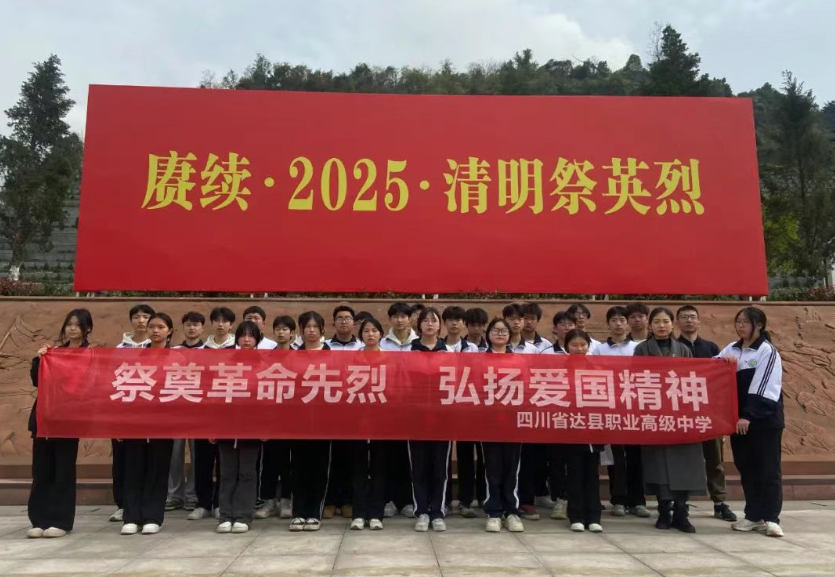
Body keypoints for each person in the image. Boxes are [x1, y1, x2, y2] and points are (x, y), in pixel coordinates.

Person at [634, 307, 704, 534]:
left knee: (683, 463)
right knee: (658, 466)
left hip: (680, 415)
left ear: (673, 325)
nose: (661, 326)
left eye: (665, 321)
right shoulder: (641, 349)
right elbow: (635, 380)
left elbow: (692, 380)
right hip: (654, 415)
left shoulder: (683, 349)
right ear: (650, 326)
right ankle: (664, 511)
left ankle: (682, 512)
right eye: (657, 322)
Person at [718, 307, 785, 538]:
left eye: (746, 322)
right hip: (738, 422)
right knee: (747, 468)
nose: (741, 326)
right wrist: (722, 362)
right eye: (738, 321)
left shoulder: (767, 351)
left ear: (759, 325)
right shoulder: (732, 348)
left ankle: (772, 518)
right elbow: (711, 369)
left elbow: (764, 386)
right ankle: (753, 515)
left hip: (764, 421)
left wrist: (749, 415)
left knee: (768, 469)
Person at [26, 309, 92, 539]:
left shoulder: (90, 355)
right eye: (69, 324)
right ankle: (39, 520)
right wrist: (40, 359)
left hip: (69, 420)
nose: (72, 328)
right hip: (44, 417)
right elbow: (38, 381)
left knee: (63, 470)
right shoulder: (55, 352)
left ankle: (60, 520)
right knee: (41, 470)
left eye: (77, 325)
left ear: (87, 329)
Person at [676, 305, 737, 523]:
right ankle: (680, 504)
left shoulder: (711, 348)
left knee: (714, 460)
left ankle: (719, 502)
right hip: (682, 413)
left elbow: (721, 381)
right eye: (684, 317)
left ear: (699, 321)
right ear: (677, 322)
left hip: (708, 413)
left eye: (692, 317)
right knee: (683, 460)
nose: (689, 320)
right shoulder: (674, 348)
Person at [121, 313, 176, 535]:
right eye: (152, 326)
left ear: (169, 331)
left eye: (161, 327)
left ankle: (153, 516)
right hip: (135, 421)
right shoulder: (136, 356)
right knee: (133, 469)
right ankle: (131, 517)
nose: (155, 330)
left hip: (163, 422)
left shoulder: (177, 358)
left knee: (157, 469)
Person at [591, 306, 648, 520]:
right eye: (614, 320)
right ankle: (618, 500)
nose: (618, 324)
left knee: (635, 455)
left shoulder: (638, 348)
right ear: (608, 324)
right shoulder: (599, 350)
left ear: (628, 323)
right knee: (615, 456)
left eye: (622, 320)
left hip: (634, 407)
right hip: (610, 407)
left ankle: (638, 500)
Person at [213, 321, 263, 534]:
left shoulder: (265, 364)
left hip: (252, 426)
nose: (247, 339)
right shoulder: (226, 362)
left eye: (251, 335)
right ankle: (226, 515)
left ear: (257, 339)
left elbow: (269, 398)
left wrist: (266, 427)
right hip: (226, 425)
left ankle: (243, 515)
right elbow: (215, 395)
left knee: (247, 473)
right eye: (243, 335)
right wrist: (213, 426)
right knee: (226, 472)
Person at [407, 307, 452, 532]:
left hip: (442, 419)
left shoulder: (449, 352)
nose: (430, 324)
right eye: (425, 320)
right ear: (419, 325)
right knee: (419, 467)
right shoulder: (409, 352)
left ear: (439, 326)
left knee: (439, 468)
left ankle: (437, 512)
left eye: (434, 320)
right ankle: (422, 511)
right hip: (415, 418)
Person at [110, 303, 155, 524]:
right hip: (124, 411)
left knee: (148, 461)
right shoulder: (120, 348)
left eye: (146, 316)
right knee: (123, 461)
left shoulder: (159, 347)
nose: (141, 320)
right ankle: (123, 505)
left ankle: (146, 505)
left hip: (150, 412)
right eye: (136, 316)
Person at [481, 318, 525, 533]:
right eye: (496, 330)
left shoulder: (519, 360)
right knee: (493, 467)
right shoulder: (478, 360)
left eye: (504, 331)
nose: (500, 334)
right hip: (488, 421)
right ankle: (494, 512)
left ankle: (511, 511)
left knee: (512, 468)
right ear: (488, 334)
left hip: (513, 421)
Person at [289, 311, 332, 532]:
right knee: (298, 467)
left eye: (316, 326)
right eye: (307, 327)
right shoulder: (293, 356)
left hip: (323, 421)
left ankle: (315, 512)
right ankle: (298, 513)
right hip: (298, 420)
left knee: (319, 467)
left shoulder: (331, 355)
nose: (312, 330)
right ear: (301, 330)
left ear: (322, 329)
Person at [348, 317, 389, 530]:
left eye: (374, 330)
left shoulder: (390, 359)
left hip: (382, 422)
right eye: (366, 331)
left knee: (379, 469)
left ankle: (376, 514)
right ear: (361, 335)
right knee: (359, 469)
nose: (370, 334)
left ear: (381, 334)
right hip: (358, 421)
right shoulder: (352, 359)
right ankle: (358, 513)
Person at [255, 315, 296, 521]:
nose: (281, 332)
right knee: (269, 461)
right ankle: (268, 501)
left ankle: (287, 500)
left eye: (285, 329)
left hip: (292, 417)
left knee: (289, 461)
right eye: (278, 329)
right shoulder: (266, 358)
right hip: (270, 416)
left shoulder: (299, 357)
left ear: (292, 333)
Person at [562, 329, 604, 533]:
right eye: (574, 345)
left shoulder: (597, 368)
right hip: (569, 428)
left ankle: (594, 516)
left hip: (593, 428)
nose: (579, 349)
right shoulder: (559, 368)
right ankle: (576, 516)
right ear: (566, 347)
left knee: (592, 474)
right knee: (574, 473)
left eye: (582, 345)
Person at [324, 305, 362, 520]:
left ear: (354, 324)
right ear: (333, 323)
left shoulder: (362, 347)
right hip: (330, 411)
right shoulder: (325, 347)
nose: (344, 321)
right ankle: (330, 501)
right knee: (332, 459)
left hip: (355, 411)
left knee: (351, 459)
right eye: (339, 318)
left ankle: (348, 501)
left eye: (348, 318)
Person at [441, 306, 480, 518]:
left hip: (466, 405)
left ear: (463, 324)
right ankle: (445, 501)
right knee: (444, 455)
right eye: (450, 320)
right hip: (442, 406)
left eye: (458, 320)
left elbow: (477, 374)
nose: (454, 323)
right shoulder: (438, 347)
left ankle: (466, 501)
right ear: (444, 323)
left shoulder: (472, 348)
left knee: (466, 454)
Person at [380, 302, 418, 517]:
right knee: (389, 456)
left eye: (404, 316)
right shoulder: (382, 343)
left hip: (412, 409)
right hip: (387, 408)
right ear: (390, 319)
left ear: (410, 319)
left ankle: (408, 501)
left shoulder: (419, 344)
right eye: (395, 316)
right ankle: (390, 500)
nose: (400, 320)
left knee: (408, 456)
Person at [166, 311, 204, 514]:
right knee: (175, 454)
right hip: (177, 409)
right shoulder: (173, 351)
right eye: (188, 324)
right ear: (182, 327)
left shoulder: (209, 351)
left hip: (199, 410)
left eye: (196, 324)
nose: (192, 328)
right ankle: (174, 495)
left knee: (198, 455)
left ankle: (193, 495)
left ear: (202, 328)